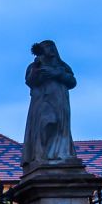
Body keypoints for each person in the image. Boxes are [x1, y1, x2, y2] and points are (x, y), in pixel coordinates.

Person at [21, 40, 77, 170]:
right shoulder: (35, 65)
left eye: (52, 46)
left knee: (59, 126)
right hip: (42, 101)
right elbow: (30, 81)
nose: (50, 49)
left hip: (60, 101)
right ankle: (41, 154)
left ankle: (59, 154)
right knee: (46, 123)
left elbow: (72, 82)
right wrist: (36, 69)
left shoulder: (62, 66)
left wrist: (58, 74)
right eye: (47, 47)